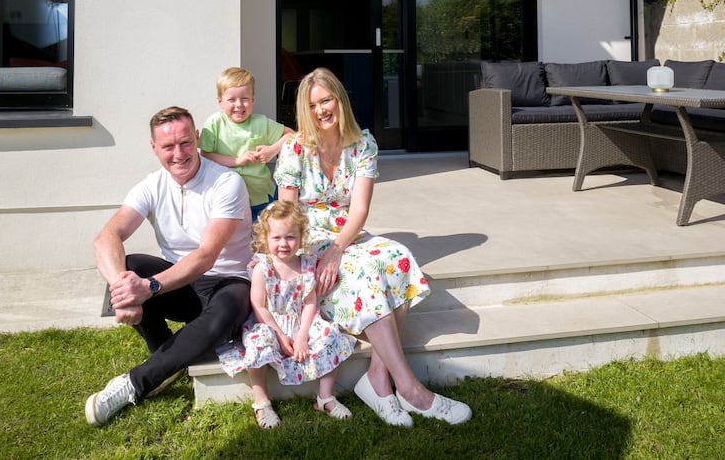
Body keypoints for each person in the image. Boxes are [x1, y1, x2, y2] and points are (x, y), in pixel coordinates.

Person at [274, 68, 473, 427]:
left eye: (327, 100)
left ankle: (377, 378)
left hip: (346, 236)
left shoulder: (362, 144)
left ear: (340, 99)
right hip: (305, 241)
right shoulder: (294, 148)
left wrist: (337, 248)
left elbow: (360, 210)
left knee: (398, 257)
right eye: (313, 105)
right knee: (366, 273)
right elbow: (286, 215)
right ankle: (411, 389)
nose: (321, 110)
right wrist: (313, 256)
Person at [85, 105, 253, 427]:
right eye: (168, 146)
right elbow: (106, 237)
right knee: (129, 265)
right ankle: (165, 353)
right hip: (182, 285)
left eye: (185, 142)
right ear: (154, 148)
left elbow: (207, 255)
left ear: (197, 138)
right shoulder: (151, 185)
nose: (179, 153)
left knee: (227, 309)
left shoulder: (227, 183)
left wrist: (148, 288)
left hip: (228, 281)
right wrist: (123, 290)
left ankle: (136, 383)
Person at [217, 199, 356, 428]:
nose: (284, 244)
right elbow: (259, 305)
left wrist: (302, 337)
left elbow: (310, 303)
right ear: (265, 239)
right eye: (276, 238)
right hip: (271, 324)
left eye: (290, 237)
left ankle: (326, 397)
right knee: (258, 341)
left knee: (331, 334)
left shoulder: (306, 265)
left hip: (301, 321)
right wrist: (281, 336)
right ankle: (262, 402)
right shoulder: (263, 267)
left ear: (301, 237)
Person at [200, 66, 295, 219]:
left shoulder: (261, 123)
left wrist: (273, 150)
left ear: (253, 99)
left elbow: (293, 135)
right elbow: (205, 155)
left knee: (265, 238)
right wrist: (237, 160)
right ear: (220, 102)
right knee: (235, 241)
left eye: (244, 99)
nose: (239, 104)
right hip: (227, 200)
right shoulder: (215, 123)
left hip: (261, 197)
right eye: (231, 99)